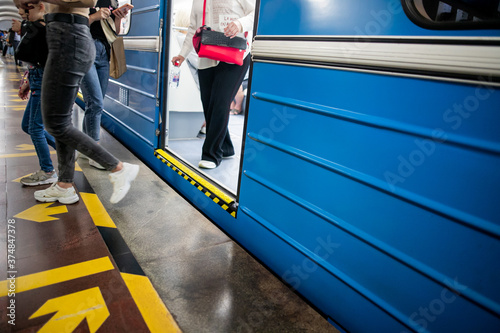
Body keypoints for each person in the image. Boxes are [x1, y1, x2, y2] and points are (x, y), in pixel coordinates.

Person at [18, 0, 139, 205]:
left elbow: (88, 1)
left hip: (70, 37)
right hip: (63, 37)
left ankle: (118, 168)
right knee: (60, 123)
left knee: (56, 123)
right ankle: (65, 185)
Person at [171, 0, 255, 169]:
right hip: (208, 55)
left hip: (235, 54)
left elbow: (256, 15)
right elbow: (192, 28)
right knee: (209, 104)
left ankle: (211, 154)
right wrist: (182, 54)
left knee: (220, 102)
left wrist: (240, 23)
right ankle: (226, 147)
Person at [78, 0, 127, 169]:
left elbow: (115, 31)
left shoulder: (112, 1)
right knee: (96, 103)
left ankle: (85, 147)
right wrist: (95, 16)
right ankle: (95, 153)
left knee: (94, 104)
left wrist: (119, 18)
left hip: (104, 52)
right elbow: (75, 22)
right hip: (85, 48)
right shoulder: (86, 1)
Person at [16, 1, 58, 186]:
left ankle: (48, 171)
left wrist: (25, 28)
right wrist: (27, 80)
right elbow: (34, 59)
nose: (22, 13)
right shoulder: (38, 27)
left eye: (27, 9)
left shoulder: (44, 28)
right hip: (36, 78)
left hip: (44, 81)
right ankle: (67, 150)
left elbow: (24, 52)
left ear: (41, 6)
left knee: (35, 128)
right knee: (28, 126)